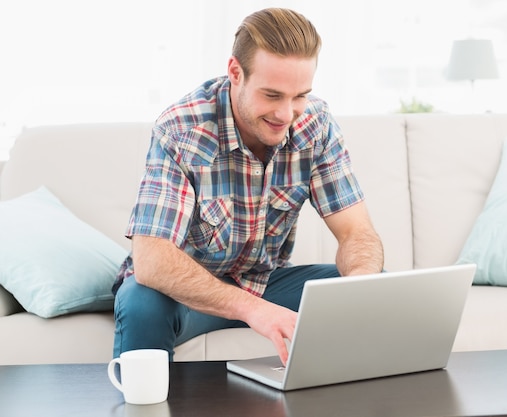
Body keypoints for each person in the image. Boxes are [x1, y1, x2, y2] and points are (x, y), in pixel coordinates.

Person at [112, 7, 384, 365]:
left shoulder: (315, 123)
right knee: (141, 302)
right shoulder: (181, 129)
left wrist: (360, 284)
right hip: (186, 292)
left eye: (299, 95)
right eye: (272, 96)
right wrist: (252, 309)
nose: (287, 115)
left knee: (374, 292)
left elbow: (356, 233)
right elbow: (151, 260)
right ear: (235, 73)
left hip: (266, 282)